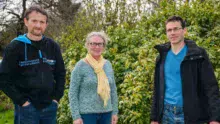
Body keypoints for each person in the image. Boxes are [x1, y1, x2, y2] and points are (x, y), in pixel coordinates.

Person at [0, 5, 66, 124]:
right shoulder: (15, 47)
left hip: (49, 107)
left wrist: (56, 98)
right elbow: (3, 78)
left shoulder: (52, 46)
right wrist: (22, 102)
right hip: (26, 109)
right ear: (26, 21)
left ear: (46, 24)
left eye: (42, 22)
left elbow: (60, 73)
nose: (38, 25)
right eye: (34, 21)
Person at [150, 15, 220, 124]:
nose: (172, 33)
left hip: (191, 115)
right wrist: (154, 117)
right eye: (169, 30)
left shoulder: (197, 54)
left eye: (176, 29)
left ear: (184, 31)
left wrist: (215, 118)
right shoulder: (161, 56)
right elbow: (157, 88)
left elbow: (211, 87)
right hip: (166, 114)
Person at [68, 31, 118, 124]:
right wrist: (76, 116)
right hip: (87, 115)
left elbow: (113, 90)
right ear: (87, 45)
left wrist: (115, 112)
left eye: (100, 44)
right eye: (93, 44)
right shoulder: (80, 66)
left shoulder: (108, 65)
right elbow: (73, 93)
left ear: (104, 46)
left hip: (107, 114)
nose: (97, 47)